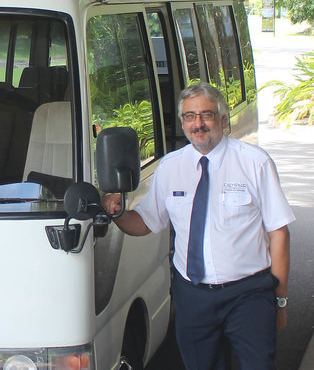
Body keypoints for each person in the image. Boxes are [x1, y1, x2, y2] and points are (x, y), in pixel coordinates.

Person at [102, 82, 294, 370]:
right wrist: (116, 213)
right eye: (190, 116)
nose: (198, 124)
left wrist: (279, 299)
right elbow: (145, 222)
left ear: (223, 119)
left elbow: (279, 233)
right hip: (193, 296)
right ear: (182, 122)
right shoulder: (170, 167)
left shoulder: (255, 162)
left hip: (249, 294)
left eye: (207, 115)